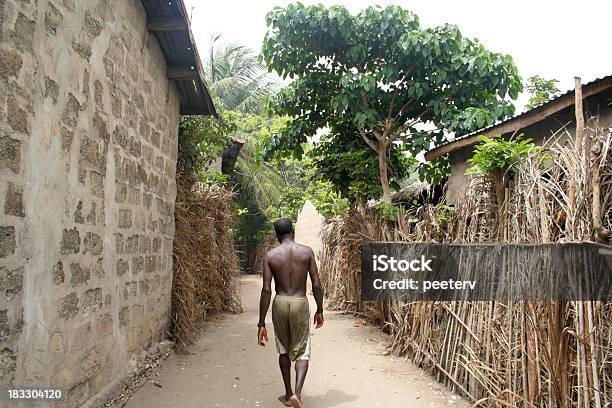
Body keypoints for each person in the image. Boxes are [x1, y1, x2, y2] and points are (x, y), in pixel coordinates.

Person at [257, 218, 324, 408]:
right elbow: (317, 285)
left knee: (283, 349)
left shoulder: (270, 256)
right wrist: (320, 308)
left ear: (276, 235)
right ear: (292, 231)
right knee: (302, 350)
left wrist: (261, 323)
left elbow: (266, 290)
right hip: (300, 302)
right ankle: (298, 393)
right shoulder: (307, 252)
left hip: (280, 302)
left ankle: (287, 394)